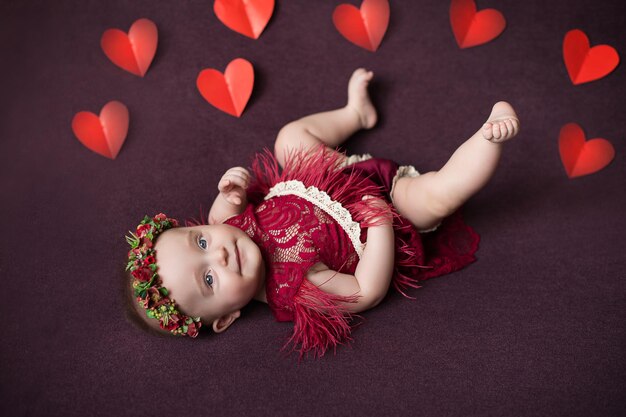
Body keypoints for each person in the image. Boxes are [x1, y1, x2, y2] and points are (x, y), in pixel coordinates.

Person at [125, 68, 520, 357]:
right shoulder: (294, 287)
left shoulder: (226, 226)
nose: (220, 253)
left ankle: (354, 114)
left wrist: (232, 191)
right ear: (226, 318)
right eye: (209, 278)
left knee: (289, 140)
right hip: (385, 208)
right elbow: (366, 291)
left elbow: (220, 214)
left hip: (334, 173)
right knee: (435, 197)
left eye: (201, 241)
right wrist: (380, 221)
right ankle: (488, 138)